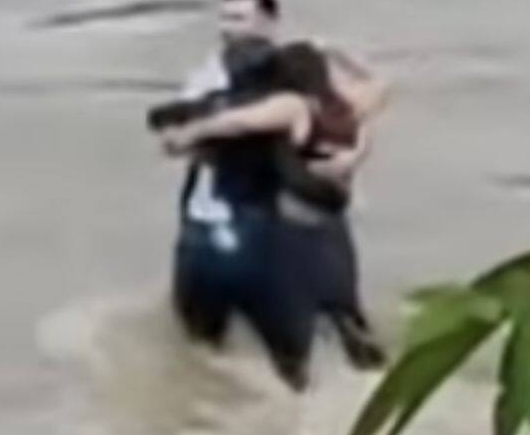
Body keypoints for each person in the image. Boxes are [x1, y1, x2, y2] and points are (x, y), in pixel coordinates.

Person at [162, 41, 391, 370]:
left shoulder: (294, 107)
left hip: (291, 227)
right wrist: (338, 52)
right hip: (331, 222)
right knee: (351, 326)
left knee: (278, 346)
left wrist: (187, 135)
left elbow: (238, 122)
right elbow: (382, 83)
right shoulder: (350, 107)